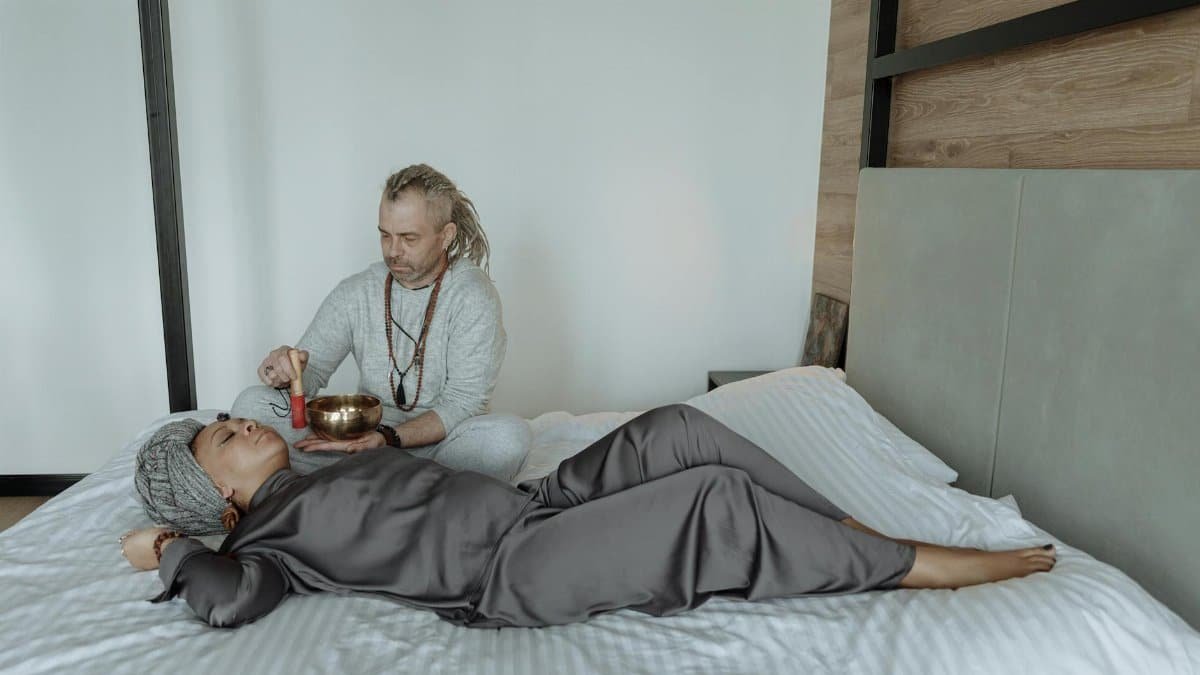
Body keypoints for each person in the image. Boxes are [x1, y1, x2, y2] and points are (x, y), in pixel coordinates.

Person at [125, 404, 1056, 629]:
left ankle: (842, 525)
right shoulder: (258, 541)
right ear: (216, 496)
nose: (239, 423)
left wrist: (375, 447)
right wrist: (167, 547)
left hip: (528, 507)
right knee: (712, 499)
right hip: (508, 572)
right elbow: (227, 598)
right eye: (219, 440)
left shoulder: (322, 462)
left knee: (678, 431)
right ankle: (907, 565)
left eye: (229, 418)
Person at [231, 163, 530, 480]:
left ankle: (371, 478)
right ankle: (411, 485)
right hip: (359, 441)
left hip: (438, 445)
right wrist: (282, 371)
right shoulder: (358, 290)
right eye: (385, 236)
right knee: (251, 403)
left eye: (409, 238)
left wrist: (388, 438)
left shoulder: (472, 295)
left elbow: (462, 404)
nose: (394, 251)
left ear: (446, 236)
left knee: (508, 437)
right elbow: (311, 373)